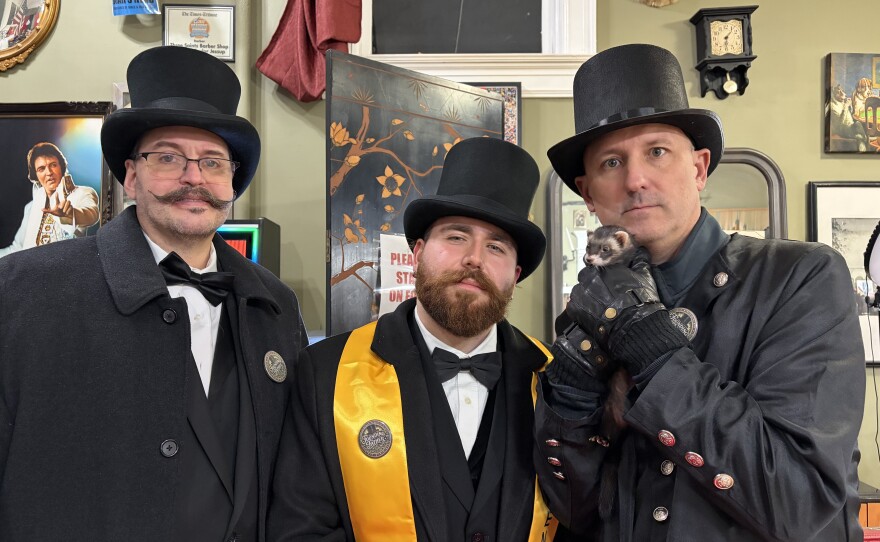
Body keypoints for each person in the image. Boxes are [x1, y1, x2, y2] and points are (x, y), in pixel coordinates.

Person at [537, 44, 865, 541]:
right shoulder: (586, 315)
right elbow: (574, 511)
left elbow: (799, 501)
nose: (635, 179)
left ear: (698, 167)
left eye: (657, 151)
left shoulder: (801, 278)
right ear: (588, 194)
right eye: (610, 163)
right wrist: (570, 406)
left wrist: (652, 350)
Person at [0, 46, 309, 542]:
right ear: (131, 175)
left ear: (233, 182)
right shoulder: (20, 292)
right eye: (167, 157)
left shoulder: (275, 305)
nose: (194, 177)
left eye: (212, 162)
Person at [268, 137, 559, 541]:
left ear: (515, 273)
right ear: (418, 252)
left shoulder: (554, 379)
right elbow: (301, 529)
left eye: (496, 246)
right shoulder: (326, 374)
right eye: (456, 237)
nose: (474, 257)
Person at [0, 141, 100, 257]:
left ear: (62, 167)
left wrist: (71, 214)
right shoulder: (31, 207)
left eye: (53, 165)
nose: (49, 173)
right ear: (35, 175)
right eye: (41, 169)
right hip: (31, 272)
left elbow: (92, 215)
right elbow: (17, 248)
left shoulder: (82, 193)